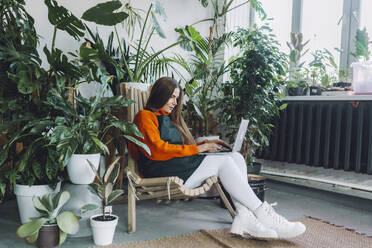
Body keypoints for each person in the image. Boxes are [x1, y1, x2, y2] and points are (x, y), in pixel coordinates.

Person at [128, 77, 306, 239]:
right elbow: (156, 150)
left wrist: (205, 143)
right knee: (225, 161)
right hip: (162, 171)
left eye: (176, 98)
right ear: (160, 95)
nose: (174, 103)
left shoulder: (167, 118)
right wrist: (197, 149)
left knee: (235, 156)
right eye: (171, 97)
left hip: (179, 166)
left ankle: (243, 216)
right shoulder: (145, 116)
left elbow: (179, 145)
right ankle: (264, 214)